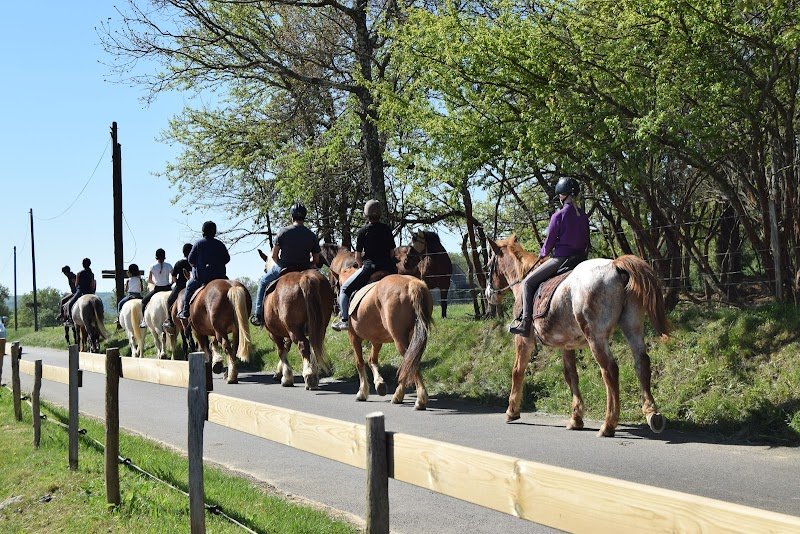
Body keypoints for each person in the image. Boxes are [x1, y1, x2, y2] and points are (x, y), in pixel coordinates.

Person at [508, 177, 590, 337]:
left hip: (561, 259)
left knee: (527, 283)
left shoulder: (558, 215)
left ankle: (525, 324)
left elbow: (549, 241)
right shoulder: (584, 216)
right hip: (580, 259)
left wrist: (543, 254)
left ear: (562, 195)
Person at [250, 203, 321, 326]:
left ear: (291, 217)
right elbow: (316, 260)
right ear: (304, 217)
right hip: (304, 268)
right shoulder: (311, 235)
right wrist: (308, 263)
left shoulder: (283, 232)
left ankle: (258, 315)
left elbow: (274, 256)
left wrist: (280, 264)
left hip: (284, 267)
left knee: (262, 282)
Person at [331, 200, 397, 331]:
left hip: (370, 268)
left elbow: (357, 256)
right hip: (389, 268)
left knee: (344, 289)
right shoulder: (387, 229)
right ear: (380, 213)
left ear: (366, 215)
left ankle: (344, 320)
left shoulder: (362, 231)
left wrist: (361, 266)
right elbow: (392, 252)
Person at [176, 221, 230, 321]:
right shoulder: (220, 244)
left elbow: (191, 260)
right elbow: (227, 259)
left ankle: (185, 311)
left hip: (202, 278)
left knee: (189, 288)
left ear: (203, 231)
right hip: (221, 276)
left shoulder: (198, 243)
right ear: (214, 232)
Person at [162, 243, 193, 331]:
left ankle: (170, 321)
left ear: (183, 252)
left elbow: (174, 277)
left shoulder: (179, 263)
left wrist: (176, 283)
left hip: (181, 285)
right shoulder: (194, 262)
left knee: (169, 301)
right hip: (195, 283)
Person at [139, 248, 173, 328]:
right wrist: (170, 283)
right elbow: (174, 278)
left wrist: (155, 283)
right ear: (164, 257)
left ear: (156, 257)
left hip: (157, 289)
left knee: (143, 302)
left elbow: (149, 280)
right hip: (168, 288)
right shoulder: (169, 265)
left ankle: (144, 321)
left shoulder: (152, 266)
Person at [63, 258, 97, 326]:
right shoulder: (92, 274)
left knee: (70, 304)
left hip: (80, 292)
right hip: (90, 292)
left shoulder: (79, 273)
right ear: (89, 264)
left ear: (82, 265)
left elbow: (76, 284)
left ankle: (71, 321)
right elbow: (92, 285)